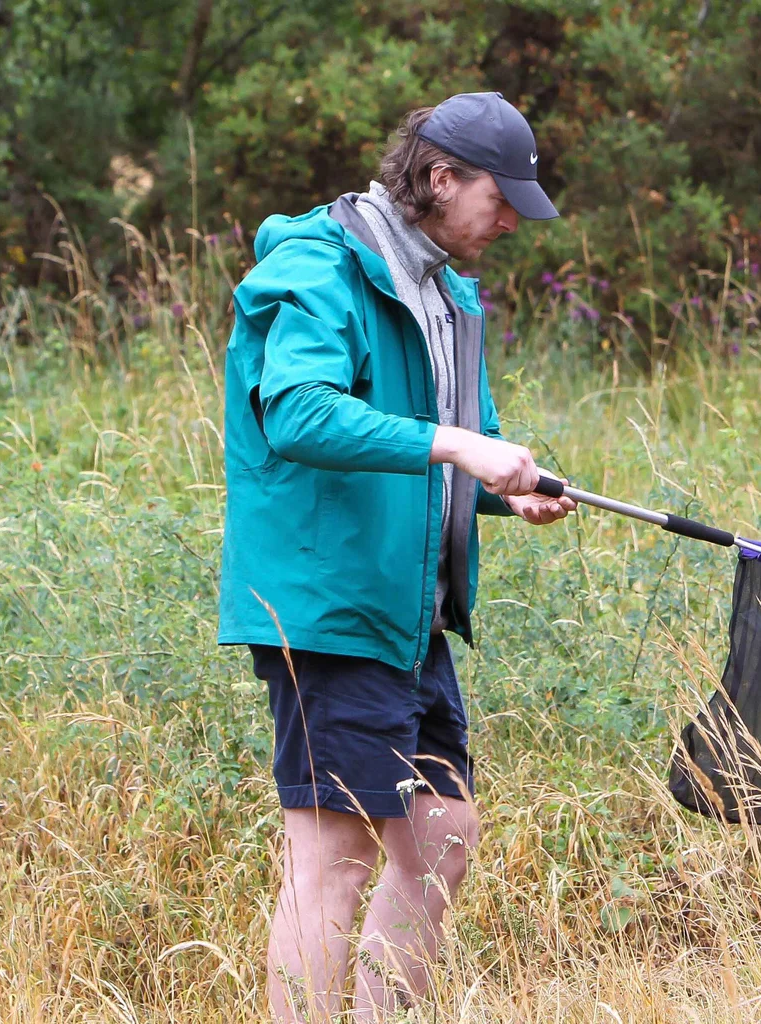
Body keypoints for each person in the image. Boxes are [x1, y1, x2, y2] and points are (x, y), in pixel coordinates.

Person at [217, 92, 573, 1022]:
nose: (507, 221)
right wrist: (459, 449)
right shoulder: (319, 266)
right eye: (499, 197)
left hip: (407, 609)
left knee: (441, 838)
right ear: (438, 176)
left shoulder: (451, 291)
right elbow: (296, 411)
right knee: (332, 859)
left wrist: (508, 486)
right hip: (329, 604)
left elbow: (463, 442)